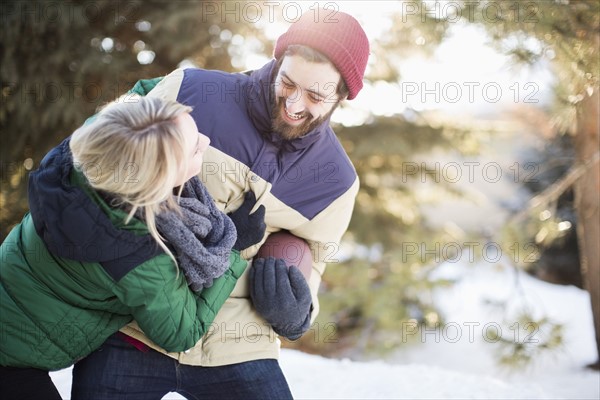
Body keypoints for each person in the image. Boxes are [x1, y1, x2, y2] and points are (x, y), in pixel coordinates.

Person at [72, 9, 370, 399]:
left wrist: (296, 313)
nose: (295, 105)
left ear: (342, 96)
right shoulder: (191, 91)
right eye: (288, 83)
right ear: (277, 62)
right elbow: (110, 173)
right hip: (136, 322)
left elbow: (315, 257)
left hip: (239, 342)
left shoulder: (337, 180)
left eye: (316, 96)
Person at [0, 96, 266, 399]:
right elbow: (181, 331)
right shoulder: (134, 254)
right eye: (195, 148)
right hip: (10, 362)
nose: (206, 140)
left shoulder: (84, 152)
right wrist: (233, 248)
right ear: (160, 179)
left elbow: (137, 107)